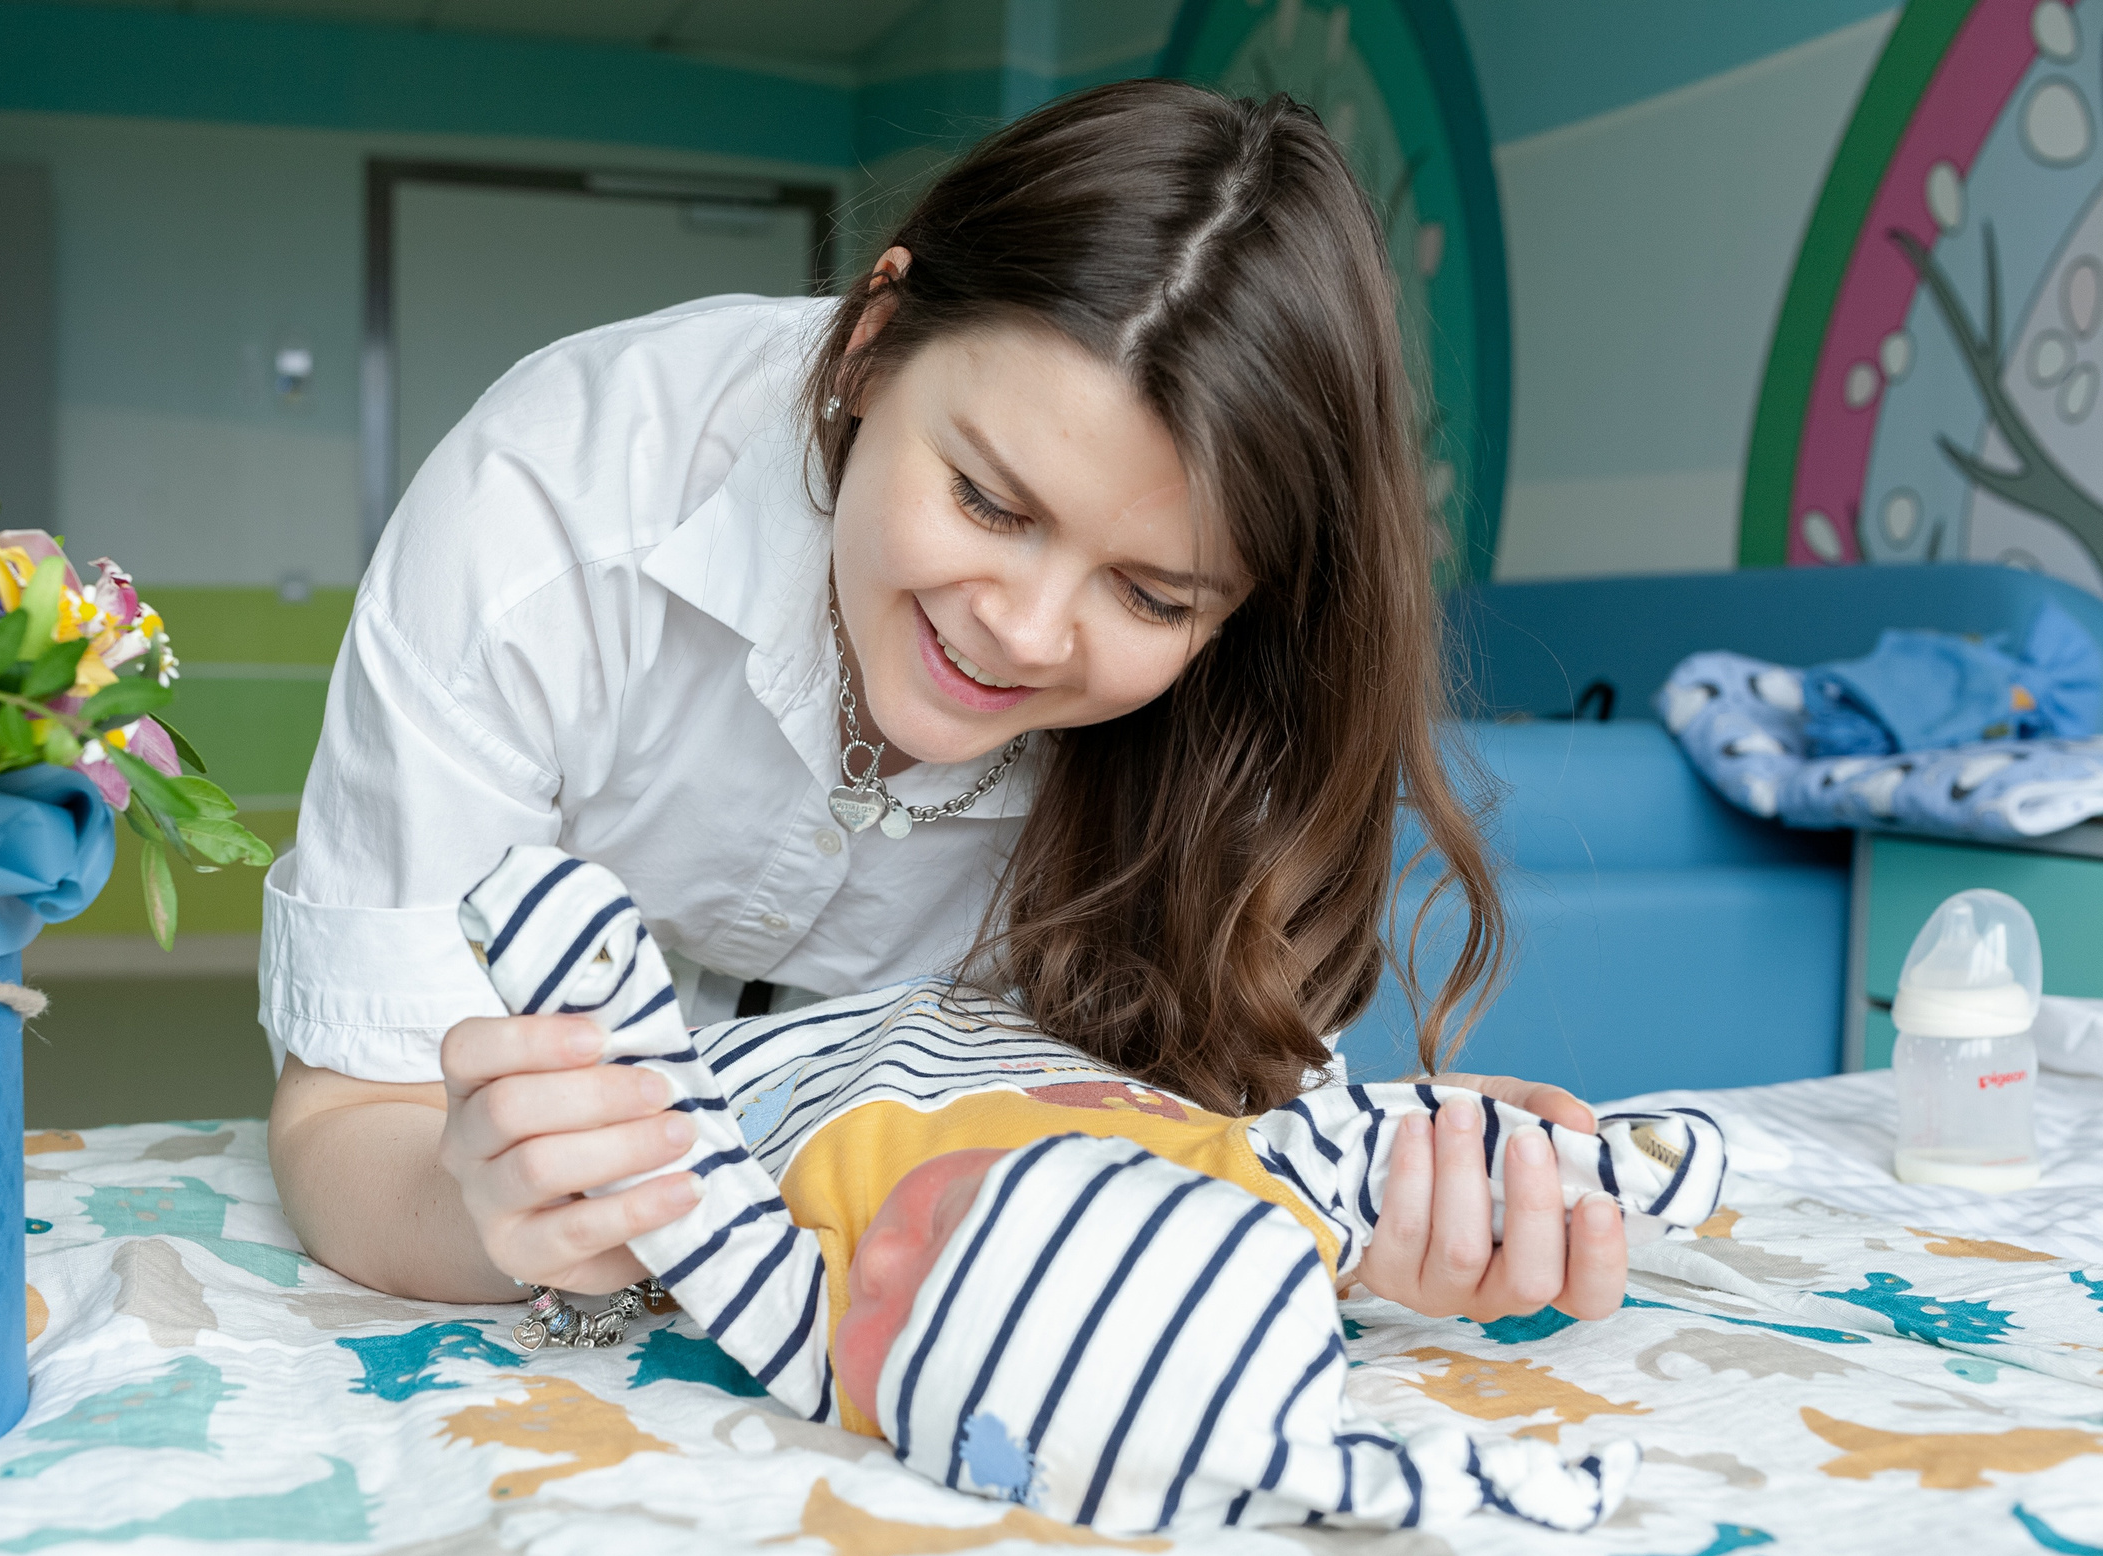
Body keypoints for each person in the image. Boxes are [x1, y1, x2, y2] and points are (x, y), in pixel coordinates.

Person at [262, 80, 1631, 1326]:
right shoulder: (546, 512)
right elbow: (346, 1120)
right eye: (987, 499)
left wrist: (1371, 1201)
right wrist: (510, 1216)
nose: (1024, 634)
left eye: (1155, 596)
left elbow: (1216, 1136)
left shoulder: (1246, 704)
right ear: (870, 342)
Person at [454, 845, 1725, 1534]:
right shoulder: (1246, 1190)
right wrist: (1591, 1169)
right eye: (954, 1236)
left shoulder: (822, 1336)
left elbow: (678, 1167)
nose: (879, 1269)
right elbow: (1365, 1148)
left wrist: (599, 986)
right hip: (1046, 1028)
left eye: (899, 1342)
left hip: (781, 1061)